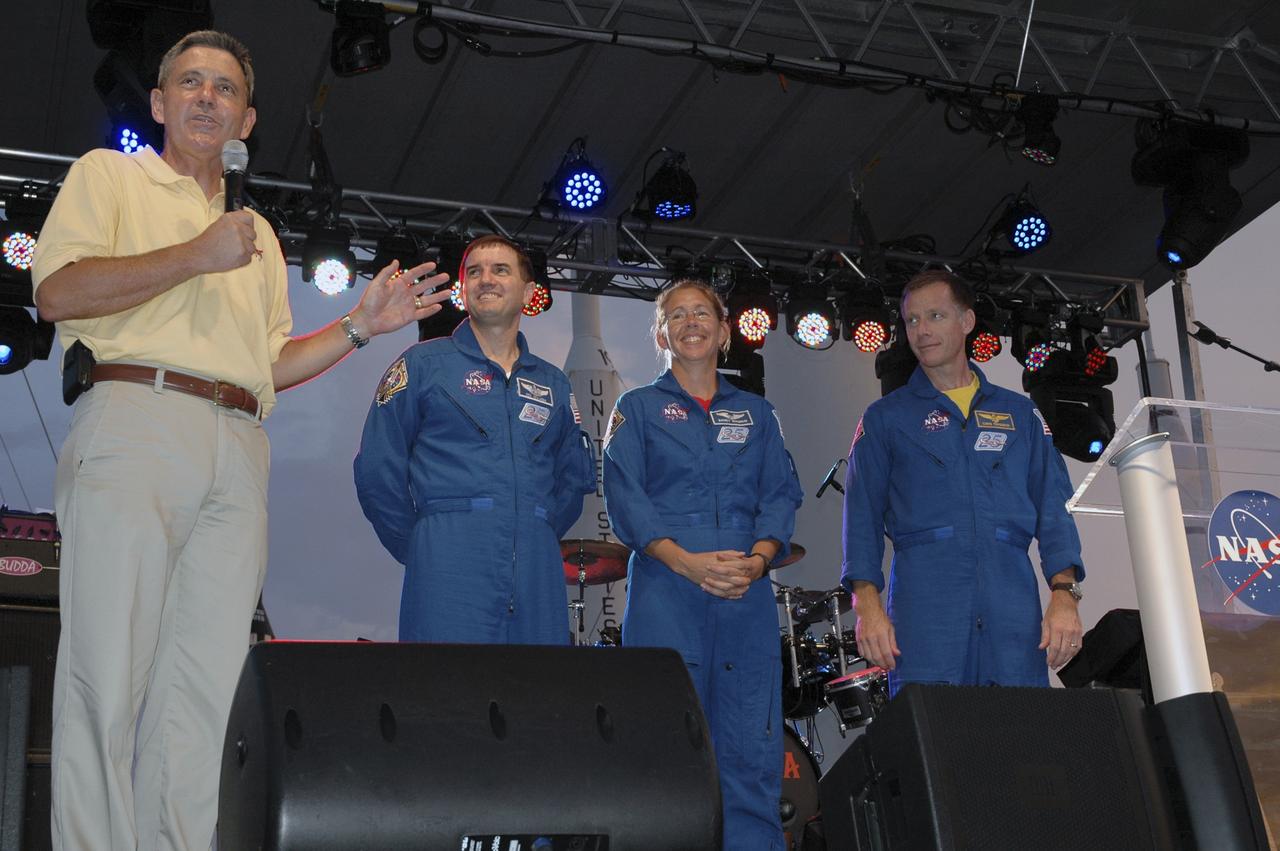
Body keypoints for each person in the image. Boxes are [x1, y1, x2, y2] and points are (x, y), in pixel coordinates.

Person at [30, 30, 451, 851]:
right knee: (106, 681)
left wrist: (359, 329)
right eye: (188, 82)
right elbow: (56, 291)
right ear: (158, 104)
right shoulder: (110, 175)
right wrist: (195, 253)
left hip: (237, 444)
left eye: (223, 88)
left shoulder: (256, 236)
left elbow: (266, 363)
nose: (205, 97)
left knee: (199, 697)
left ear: (245, 119)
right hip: (134, 419)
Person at [602, 279, 803, 851]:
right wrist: (687, 564)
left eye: (702, 314)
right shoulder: (636, 409)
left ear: (723, 330)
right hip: (668, 588)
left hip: (745, 589)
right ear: (661, 334)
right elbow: (625, 497)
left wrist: (761, 561)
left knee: (749, 743)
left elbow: (780, 495)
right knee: (666, 746)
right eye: (676, 315)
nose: (690, 323)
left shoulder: (758, 414)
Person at [841, 269, 1085, 696]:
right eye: (912, 320)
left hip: (1011, 605)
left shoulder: (1020, 415)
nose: (922, 331)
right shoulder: (885, 419)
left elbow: (1054, 509)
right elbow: (860, 519)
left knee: (1021, 744)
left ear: (967, 322)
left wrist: (1064, 594)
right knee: (939, 743)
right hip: (926, 605)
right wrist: (868, 607)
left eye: (935, 316)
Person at [354, 234, 595, 644]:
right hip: (446, 561)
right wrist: (424, 546)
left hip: (536, 565)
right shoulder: (423, 365)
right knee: (445, 697)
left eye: (501, 270)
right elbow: (378, 468)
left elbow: (572, 478)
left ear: (529, 292)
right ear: (462, 290)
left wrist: (533, 530)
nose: (486, 279)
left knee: (536, 699)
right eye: (474, 272)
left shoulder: (553, 383)